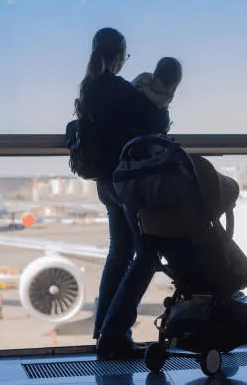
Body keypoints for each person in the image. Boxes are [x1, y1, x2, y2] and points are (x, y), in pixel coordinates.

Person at [74, 27, 171, 360]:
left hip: (104, 182)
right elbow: (157, 123)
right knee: (147, 254)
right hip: (127, 182)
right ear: (118, 56)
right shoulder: (121, 90)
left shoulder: (89, 88)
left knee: (119, 254)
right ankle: (115, 334)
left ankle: (103, 330)